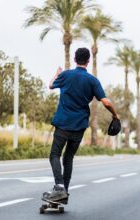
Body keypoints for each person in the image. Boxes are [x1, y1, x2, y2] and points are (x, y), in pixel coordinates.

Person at [43, 48, 119, 203]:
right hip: (79, 126)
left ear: (75, 59)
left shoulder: (65, 75)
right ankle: (64, 193)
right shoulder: (92, 81)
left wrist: (57, 74)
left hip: (63, 123)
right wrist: (115, 115)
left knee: (54, 155)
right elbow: (105, 101)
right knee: (68, 158)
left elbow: (50, 86)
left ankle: (59, 187)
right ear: (88, 61)